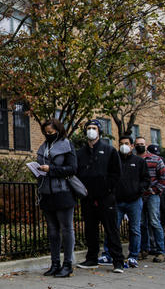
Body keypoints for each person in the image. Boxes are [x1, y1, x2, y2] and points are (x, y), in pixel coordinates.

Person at [75, 120, 125, 273]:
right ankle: (91, 259)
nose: (91, 131)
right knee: (90, 230)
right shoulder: (80, 153)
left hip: (105, 198)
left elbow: (116, 174)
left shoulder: (109, 150)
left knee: (111, 230)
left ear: (99, 131)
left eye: (94, 128)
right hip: (87, 198)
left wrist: (107, 189)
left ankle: (118, 261)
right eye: (89, 128)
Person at [34, 119, 77, 278]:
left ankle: (67, 264)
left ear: (58, 131)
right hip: (46, 192)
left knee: (66, 229)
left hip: (63, 191)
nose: (48, 134)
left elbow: (72, 168)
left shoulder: (67, 145)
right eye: (45, 132)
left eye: (51, 132)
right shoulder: (43, 147)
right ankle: (55, 263)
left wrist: (51, 169)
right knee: (52, 231)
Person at [100, 136, 149, 269]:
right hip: (117, 201)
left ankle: (133, 256)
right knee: (111, 229)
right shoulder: (114, 161)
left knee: (135, 229)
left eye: (126, 143)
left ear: (132, 146)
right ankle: (108, 254)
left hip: (134, 201)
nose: (124, 146)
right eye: (121, 143)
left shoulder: (139, 161)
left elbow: (146, 179)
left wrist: (139, 190)